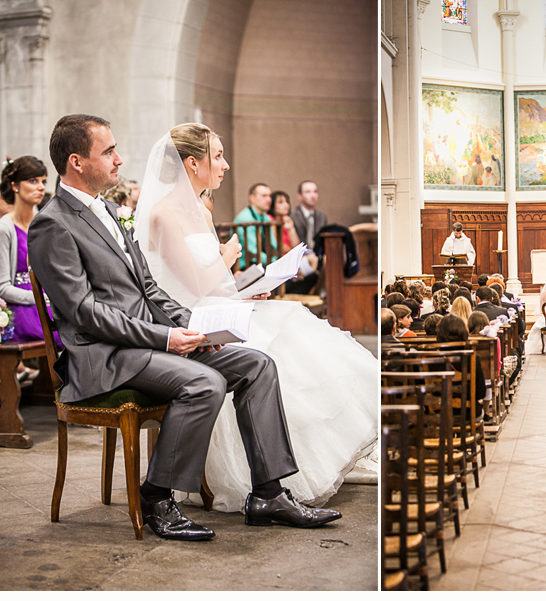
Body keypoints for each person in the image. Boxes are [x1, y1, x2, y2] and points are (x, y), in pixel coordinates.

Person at [30, 115, 341, 541]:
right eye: (108, 152)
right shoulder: (53, 223)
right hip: (103, 357)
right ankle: (157, 496)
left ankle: (268, 493)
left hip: (147, 344)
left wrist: (194, 326)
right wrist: (165, 338)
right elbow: (84, 313)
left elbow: (149, 288)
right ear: (76, 162)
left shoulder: (107, 210)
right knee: (204, 384)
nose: (120, 160)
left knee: (257, 364)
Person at [134, 123, 377, 512]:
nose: (225, 165)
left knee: (291, 319)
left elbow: (215, 286)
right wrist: (226, 259)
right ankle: (270, 486)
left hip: (213, 305)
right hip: (187, 320)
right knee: (280, 340)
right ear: (192, 163)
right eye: (217, 156)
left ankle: (275, 485)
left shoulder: (199, 208)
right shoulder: (164, 215)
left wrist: (246, 287)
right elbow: (193, 286)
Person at [0, 156, 61, 366]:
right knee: (67, 333)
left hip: (47, 302)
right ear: (14, 186)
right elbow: (1, 288)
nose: (40, 187)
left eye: (43, 181)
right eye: (33, 181)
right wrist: (41, 298)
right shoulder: (3, 229)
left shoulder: (44, 224)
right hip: (22, 309)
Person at [233, 182, 277, 268]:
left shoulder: (266, 218)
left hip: (264, 263)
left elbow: (273, 245)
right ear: (252, 198)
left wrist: (275, 259)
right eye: (264, 196)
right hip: (246, 266)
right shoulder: (244, 219)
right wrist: (273, 262)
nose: (269, 200)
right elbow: (252, 251)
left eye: (270, 196)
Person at [290, 180, 327, 250]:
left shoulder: (322, 216)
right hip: (300, 254)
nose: (313, 196)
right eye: (308, 192)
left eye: (315, 192)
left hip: (317, 254)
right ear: (299, 196)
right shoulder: (292, 215)